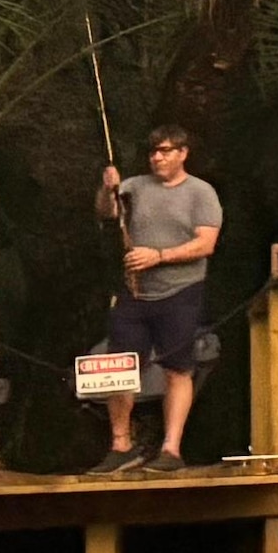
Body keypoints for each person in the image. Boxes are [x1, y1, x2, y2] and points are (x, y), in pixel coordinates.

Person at [94, 126, 223, 468]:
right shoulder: (135, 186)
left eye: (165, 151)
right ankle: (121, 446)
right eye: (153, 152)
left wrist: (159, 256)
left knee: (177, 369)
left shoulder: (201, 192)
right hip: (134, 291)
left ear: (183, 153)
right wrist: (108, 190)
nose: (158, 157)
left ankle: (171, 449)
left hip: (181, 291)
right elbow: (107, 214)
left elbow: (206, 244)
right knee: (120, 367)